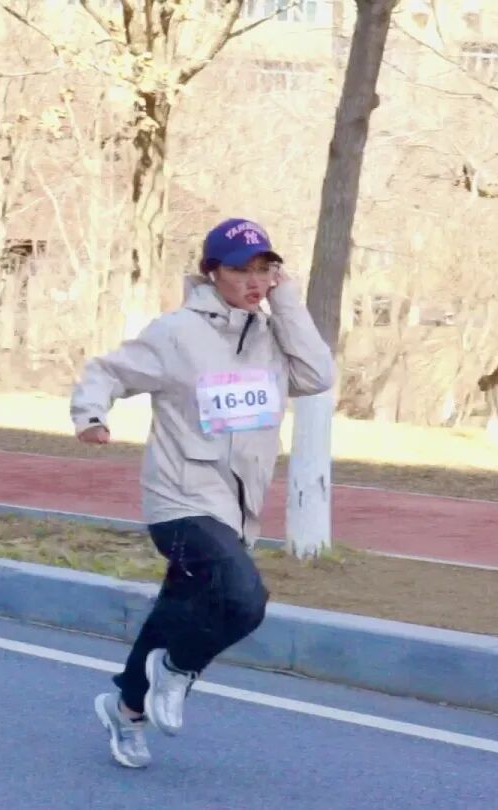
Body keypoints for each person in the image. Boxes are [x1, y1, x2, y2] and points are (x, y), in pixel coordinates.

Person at [70, 218, 334, 768]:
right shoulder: (176, 333)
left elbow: (317, 375)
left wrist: (287, 301)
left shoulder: (272, 338)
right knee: (245, 599)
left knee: (175, 612)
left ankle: (125, 710)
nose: (255, 281)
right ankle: (178, 669)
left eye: (265, 269)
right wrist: (90, 414)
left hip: (236, 506)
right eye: (241, 270)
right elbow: (108, 370)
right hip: (180, 498)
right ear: (212, 272)